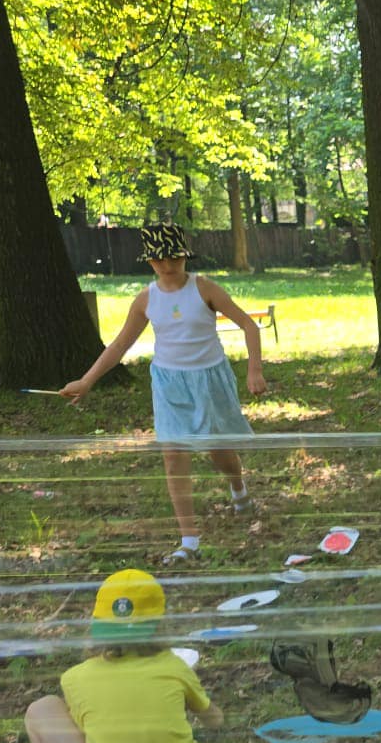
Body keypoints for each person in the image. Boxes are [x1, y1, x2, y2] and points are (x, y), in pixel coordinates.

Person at [61, 224, 269, 566]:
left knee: (219, 451)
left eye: (174, 257)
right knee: (173, 456)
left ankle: (238, 488)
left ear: (185, 256)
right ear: (149, 261)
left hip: (209, 379)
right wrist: (87, 381)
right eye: (159, 259)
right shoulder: (146, 300)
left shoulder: (204, 288)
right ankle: (189, 540)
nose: (167, 265)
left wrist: (254, 369)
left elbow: (249, 325)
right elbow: (120, 344)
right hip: (169, 384)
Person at [23, 569, 222, 743]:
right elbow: (215, 720)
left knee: (40, 710)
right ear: (159, 624)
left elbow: (88, 736)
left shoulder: (75, 678)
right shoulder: (175, 667)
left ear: (97, 624)